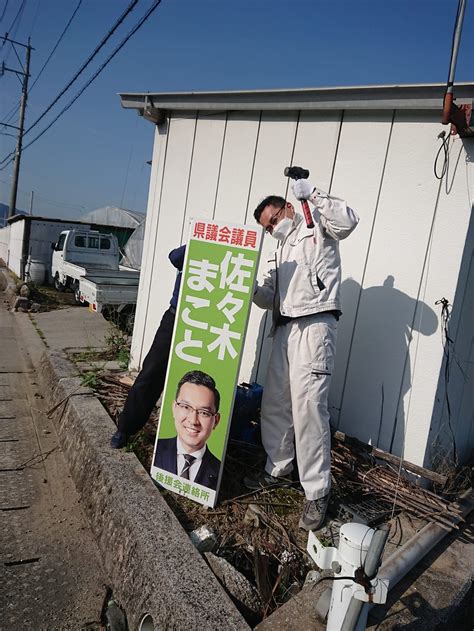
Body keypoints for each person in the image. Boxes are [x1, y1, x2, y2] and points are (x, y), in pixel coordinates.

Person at [243, 178, 359, 531]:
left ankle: (317, 491)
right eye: (266, 227)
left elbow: (349, 221)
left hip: (316, 324)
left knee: (309, 408)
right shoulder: (277, 253)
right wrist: (249, 284)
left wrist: (315, 194)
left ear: (288, 208)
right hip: (284, 329)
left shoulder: (315, 225)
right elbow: (267, 298)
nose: (272, 228)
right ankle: (278, 469)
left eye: (273, 220)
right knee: (277, 402)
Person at [110, 245, 186, 449]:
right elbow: (174, 256)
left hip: (205, 326)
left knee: (194, 382)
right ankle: (125, 428)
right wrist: (199, 244)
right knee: (151, 373)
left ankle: (180, 445)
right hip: (175, 317)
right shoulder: (194, 250)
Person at [153, 370, 221, 490]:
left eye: (204, 412)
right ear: (174, 408)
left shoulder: (218, 469)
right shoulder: (156, 450)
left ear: (215, 421)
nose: (193, 421)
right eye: (185, 407)